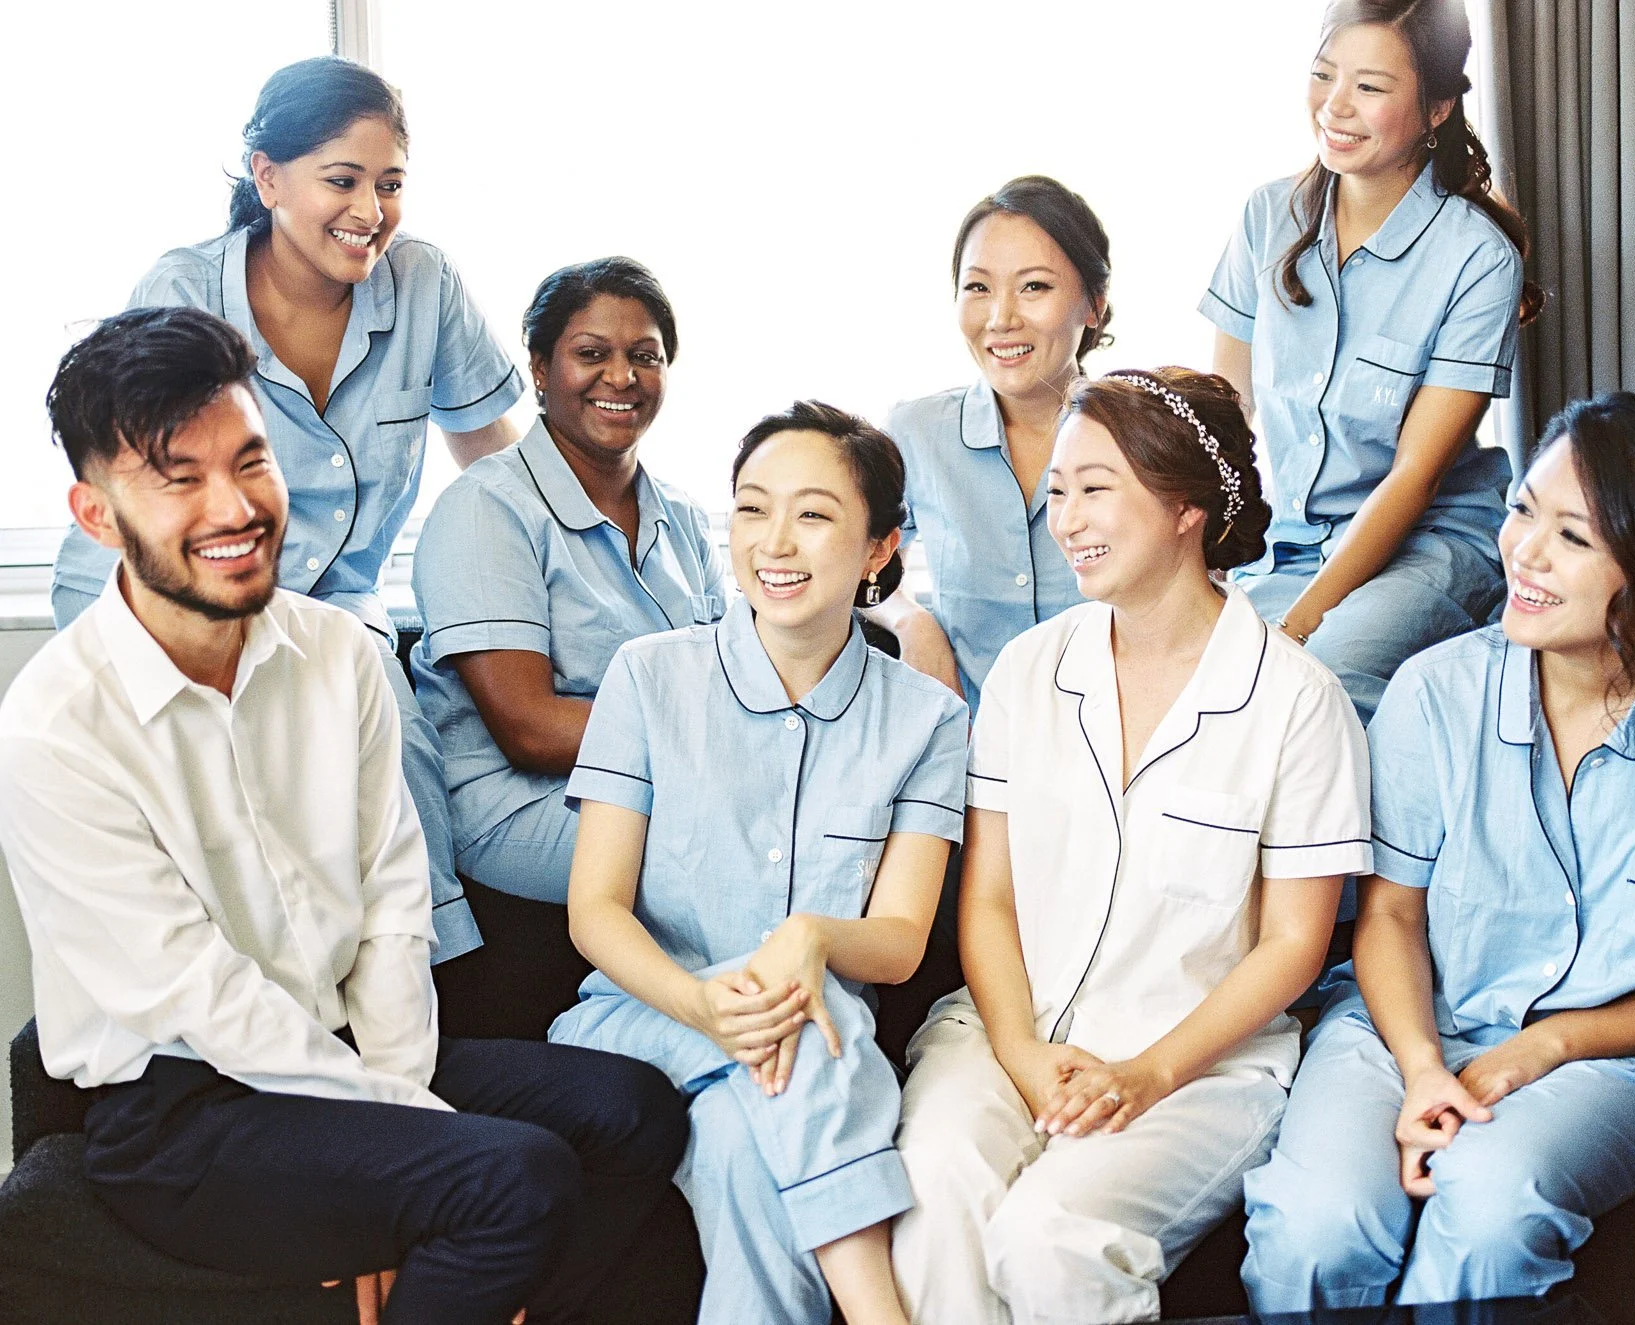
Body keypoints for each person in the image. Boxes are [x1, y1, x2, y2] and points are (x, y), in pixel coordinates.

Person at [2, 307, 685, 1325]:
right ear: (96, 513)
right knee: (515, 1180)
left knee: (638, 1113)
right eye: (177, 478)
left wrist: (399, 1145)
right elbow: (203, 994)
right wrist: (405, 1155)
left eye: (250, 461)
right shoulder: (54, 726)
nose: (234, 506)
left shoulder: (340, 654)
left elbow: (394, 904)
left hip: (354, 1039)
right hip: (182, 1109)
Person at [1240, 390, 1635, 1308]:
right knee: (1315, 1221)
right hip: (1404, 1022)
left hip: (1611, 1056)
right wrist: (1423, 1065)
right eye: (1521, 511)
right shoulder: (1432, 694)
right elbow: (1389, 914)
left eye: (1574, 538)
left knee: (1494, 1205)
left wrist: (1546, 1046)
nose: (1524, 554)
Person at [892, 368, 1372, 1325]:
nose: (1065, 518)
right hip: (1007, 1035)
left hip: (1198, 1068)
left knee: (1051, 1238)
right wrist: (1025, 1053)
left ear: (1186, 505)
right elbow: (986, 898)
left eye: (1095, 487)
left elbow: (1293, 946)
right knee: (932, 1189)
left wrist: (1147, 1074)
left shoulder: (1297, 700)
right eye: (1057, 490)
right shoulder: (1033, 670)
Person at [49, 56, 525, 960]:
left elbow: (501, 474)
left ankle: (430, 989)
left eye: (389, 184)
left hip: (331, 606)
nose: (369, 210)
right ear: (267, 177)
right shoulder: (184, 292)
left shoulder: (424, 284)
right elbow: (146, 497)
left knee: (389, 720)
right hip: (167, 592)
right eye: (340, 180)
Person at [548, 402, 968, 1325]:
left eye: (814, 514)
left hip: (806, 1053)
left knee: (745, 1138)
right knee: (800, 1031)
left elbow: (898, 946)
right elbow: (597, 911)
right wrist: (706, 1004)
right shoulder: (648, 676)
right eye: (751, 508)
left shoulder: (929, 720)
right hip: (644, 1020)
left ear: (878, 548)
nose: (775, 540)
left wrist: (810, 936)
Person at [1201, 0, 1540, 727]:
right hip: (1291, 540)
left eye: (1372, 87)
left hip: (1426, 543)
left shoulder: (1477, 258)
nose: (1336, 106)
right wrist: (1203, 558)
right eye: (1325, 76)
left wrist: (1296, 625)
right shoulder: (1268, 215)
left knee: (1306, 685)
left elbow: (1415, 477)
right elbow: (1220, 419)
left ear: (1437, 108)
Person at [410, 258, 724, 1032]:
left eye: (644, 356)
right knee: (751, 849)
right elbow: (529, 727)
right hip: (518, 806)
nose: (621, 375)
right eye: (591, 354)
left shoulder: (682, 518)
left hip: (659, 783)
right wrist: (715, 740)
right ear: (541, 371)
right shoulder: (486, 510)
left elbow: (731, 674)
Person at [873, 175, 1110, 713]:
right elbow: (858, 565)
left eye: (1034, 287)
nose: (1001, 319)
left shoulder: (1141, 437)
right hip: (968, 750)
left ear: (1093, 304)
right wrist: (911, 620)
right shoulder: (916, 433)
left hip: (1119, 750)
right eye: (978, 288)